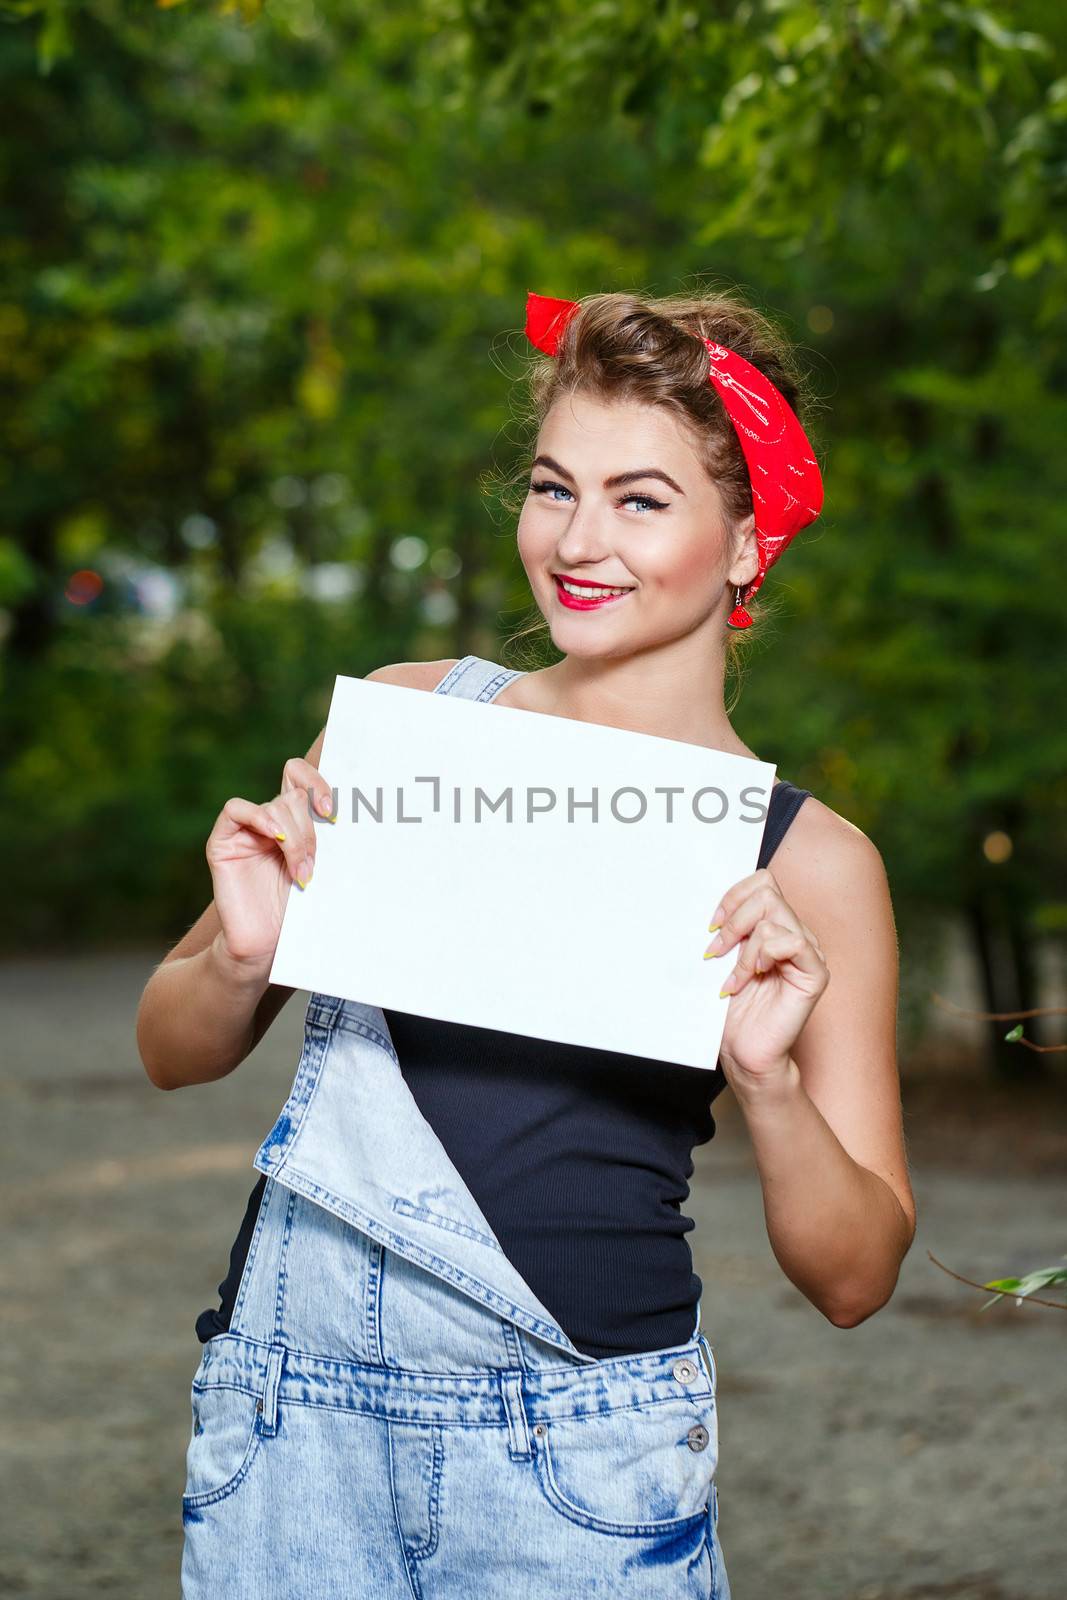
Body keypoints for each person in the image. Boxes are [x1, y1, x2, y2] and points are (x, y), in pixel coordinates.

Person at [136, 287, 916, 1600]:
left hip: (580, 1463)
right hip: (288, 1432)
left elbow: (855, 1277)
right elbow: (170, 1053)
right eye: (554, 487)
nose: (578, 538)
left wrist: (771, 1084)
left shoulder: (807, 862)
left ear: (746, 544)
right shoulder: (406, 718)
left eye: (643, 499)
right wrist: (242, 951)